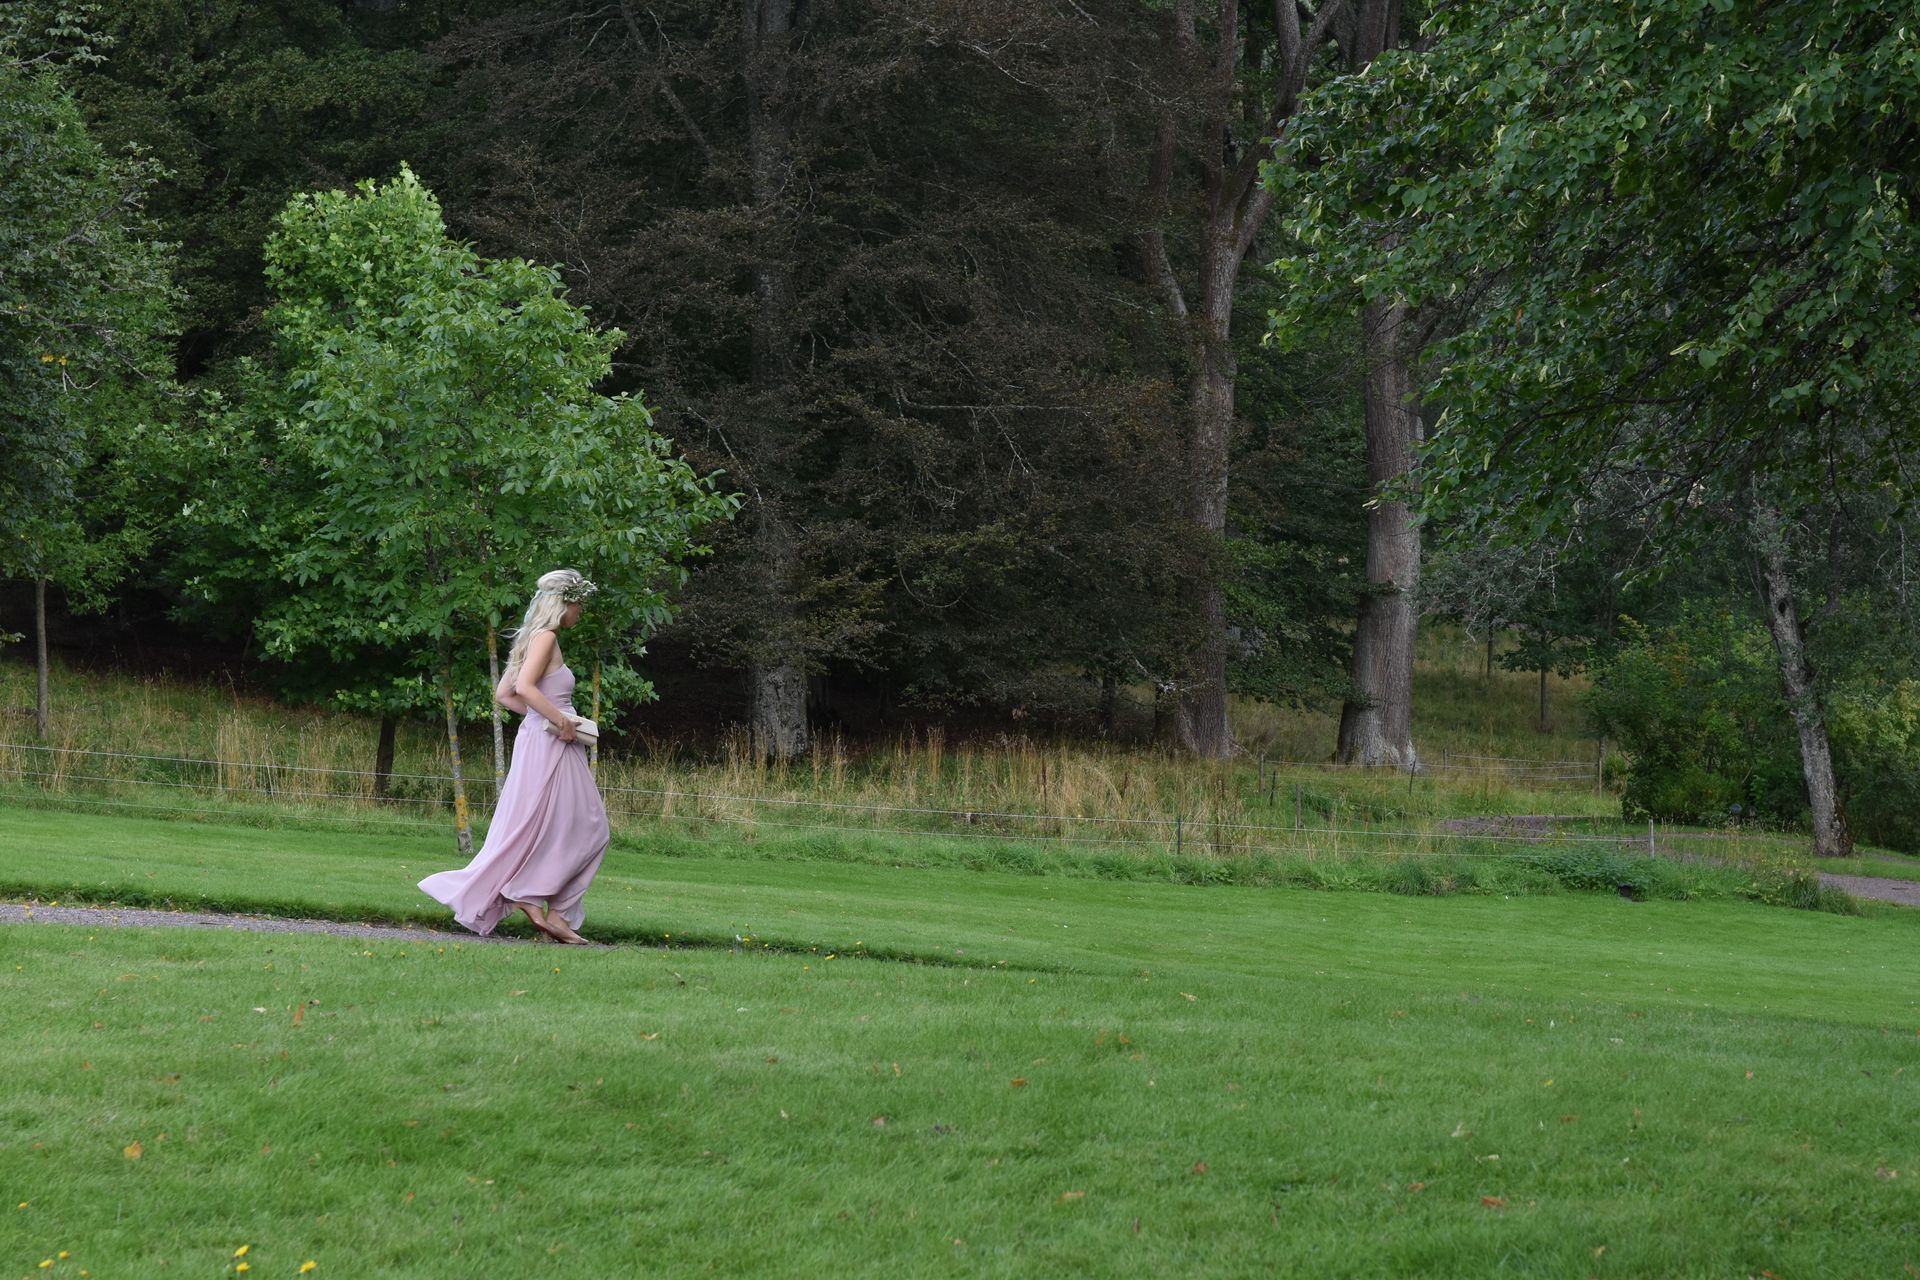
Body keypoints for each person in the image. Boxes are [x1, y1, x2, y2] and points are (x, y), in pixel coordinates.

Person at [418, 569, 609, 945]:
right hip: (554, 744)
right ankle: (543, 904)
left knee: (541, 824)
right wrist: (561, 722)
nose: (581, 611)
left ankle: (542, 905)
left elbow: (506, 695)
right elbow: (521, 688)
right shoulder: (547, 638)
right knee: (592, 827)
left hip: (541, 740)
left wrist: (547, 719)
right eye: (579, 603)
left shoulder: (533, 639)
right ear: (564, 603)